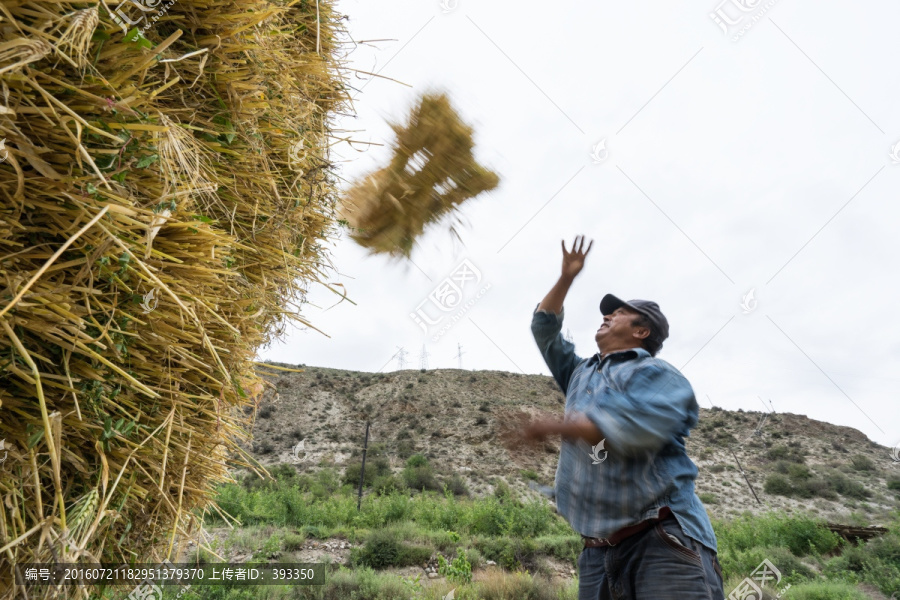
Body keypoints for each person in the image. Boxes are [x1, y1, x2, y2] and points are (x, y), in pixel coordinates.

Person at [523, 234, 725, 600]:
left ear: (641, 331)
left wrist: (553, 425)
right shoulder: (579, 373)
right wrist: (567, 277)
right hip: (596, 554)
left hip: (662, 542)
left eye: (618, 313)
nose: (606, 315)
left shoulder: (659, 375)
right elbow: (544, 329)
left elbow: (630, 430)